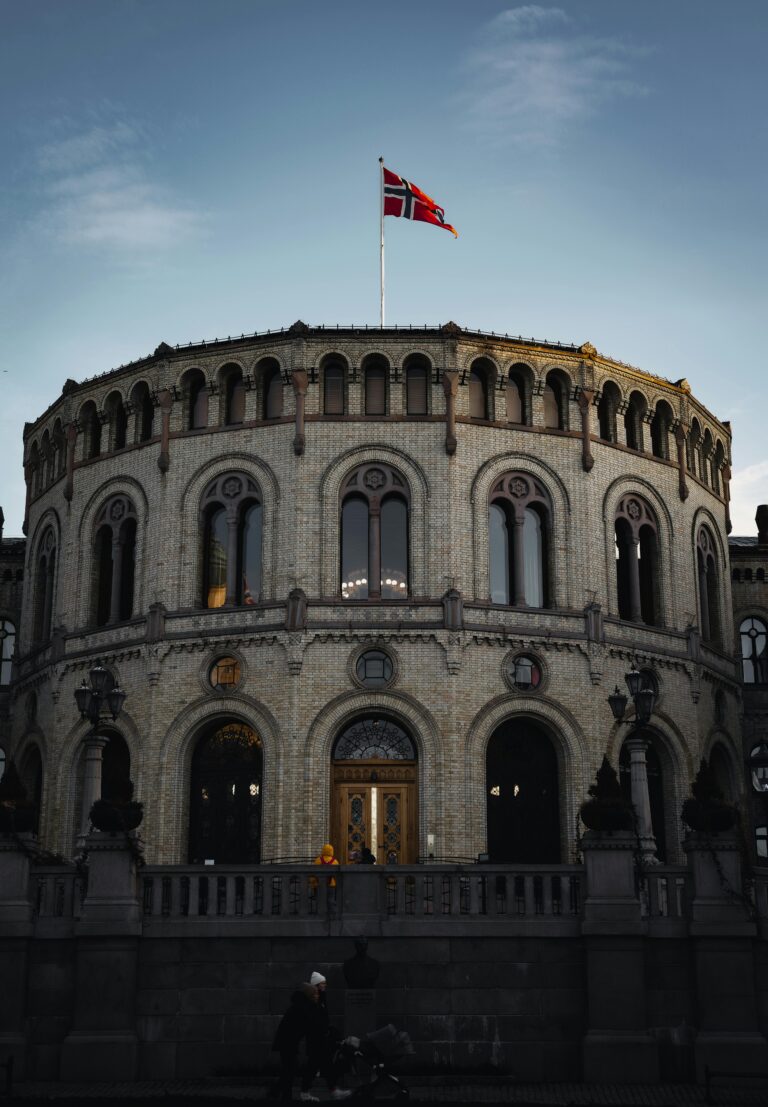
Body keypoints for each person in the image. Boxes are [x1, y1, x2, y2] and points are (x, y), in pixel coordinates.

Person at [299, 972, 350, 1102]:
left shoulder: (320, 998)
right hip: (317, 1040)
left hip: (320, 1040)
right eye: (323, 983)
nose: (325, 985)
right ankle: (307, 1092)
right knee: (315, 1067)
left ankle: (330, 1090)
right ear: (316, 985)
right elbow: (315, 1021)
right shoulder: (315, 999)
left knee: (322, 1066)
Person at [271, 982, 322, 1103]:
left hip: (288, 1041)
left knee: (289, 1069)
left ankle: (277, 1093)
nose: (317, 996)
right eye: (314, 994)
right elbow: (310, 1024)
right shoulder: (304, 1006)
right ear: (309, 995)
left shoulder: (301, 1005)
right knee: (290, 1069)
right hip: (288, 1041)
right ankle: (283, 1096)